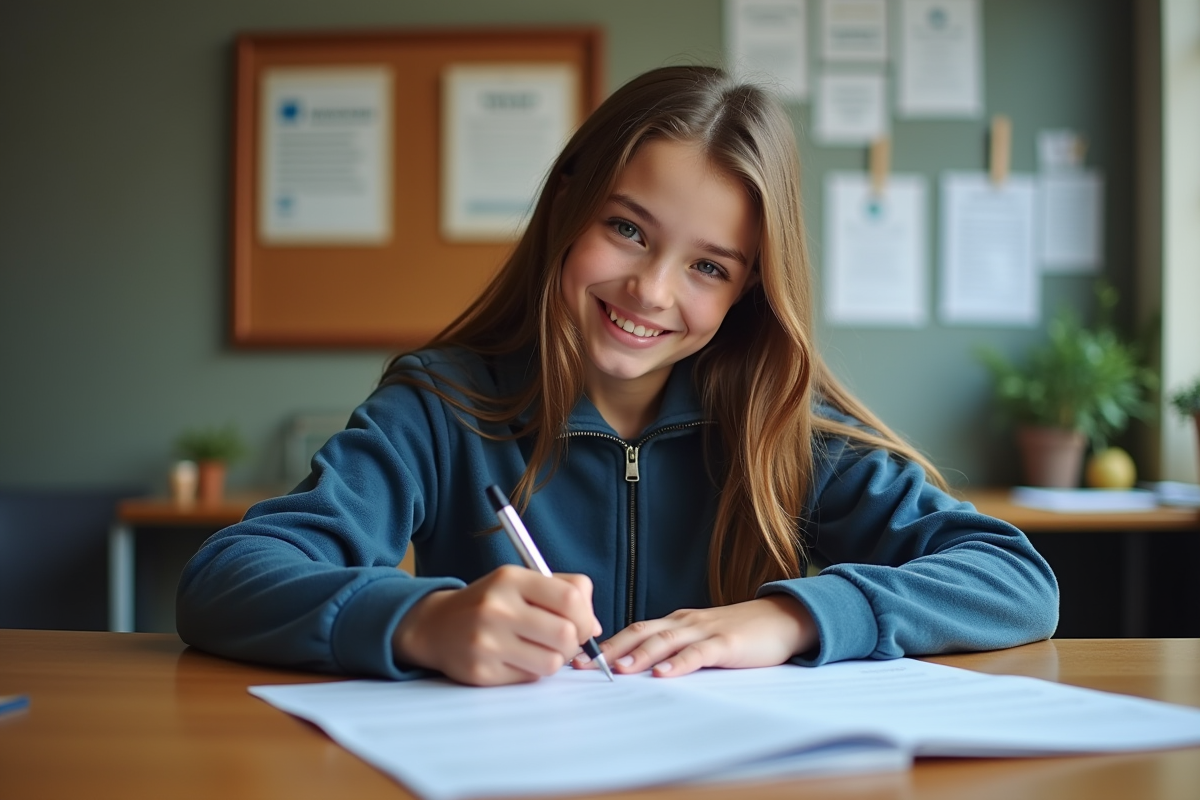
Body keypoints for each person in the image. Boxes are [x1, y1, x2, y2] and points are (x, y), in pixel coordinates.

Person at [177, 66, 1058, 686]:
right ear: (568, 202)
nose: (651, 290)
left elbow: (1014, 579)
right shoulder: (441, 406)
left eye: (708, 267)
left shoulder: (786, 426)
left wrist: (791, 617)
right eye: (628, 230)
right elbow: (225, 579)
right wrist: (421, 621)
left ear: (750, 289)